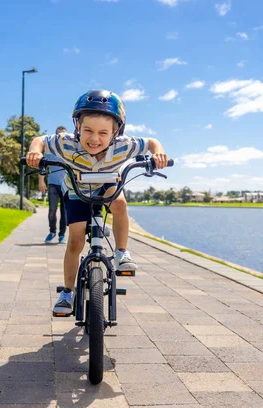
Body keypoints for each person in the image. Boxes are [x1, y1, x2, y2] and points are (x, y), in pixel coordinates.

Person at [25, 89, 169, 315]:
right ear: (77, 128)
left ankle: (121, 252)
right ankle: (68, 292)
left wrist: (158, 154)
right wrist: (34, 152)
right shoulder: (66, 144)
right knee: (75, 241)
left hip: (106, 185)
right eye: (88, 131)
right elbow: (40, 140)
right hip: (76, 190)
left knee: (120, 204)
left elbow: (152, 142)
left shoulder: (124, 145)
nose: (94, 138)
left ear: (116, 132)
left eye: (103, 133)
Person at [38, 126, 68, 244]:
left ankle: (62, 235)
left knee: (65, 212)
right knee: (52, 210)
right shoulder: (50, 151)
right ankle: (52, 232)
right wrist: (41, 181)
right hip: (53, 184)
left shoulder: (69, 151)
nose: (61, 137)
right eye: (59, 135)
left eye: (63, 135)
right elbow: (43, 166)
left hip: (66, 185)